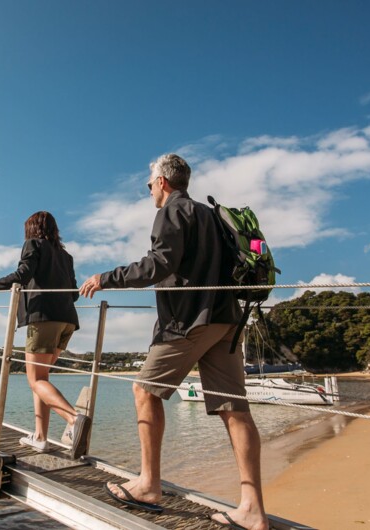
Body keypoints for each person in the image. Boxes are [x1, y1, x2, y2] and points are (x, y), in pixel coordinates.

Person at [79, 154, 268, 529]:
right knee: (234, 409)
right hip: (227, 319)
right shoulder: (212, 215)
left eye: (149, 184)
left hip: (190, 321)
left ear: (163, 182)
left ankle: (149, 484)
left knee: (145, 391)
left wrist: (107, 277)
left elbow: (158, 264)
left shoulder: (172, 211)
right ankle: (253, 510)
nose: (149, 189)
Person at [0, 211, 91, 459]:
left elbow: (23, 274)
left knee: (35, 380)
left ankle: (74, 419)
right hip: (67, 321)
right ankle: (40, 437)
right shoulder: (66, 257)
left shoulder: (33, 244)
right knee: (42, 379)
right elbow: (75, 293)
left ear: (32, 229)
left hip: (43, 318)